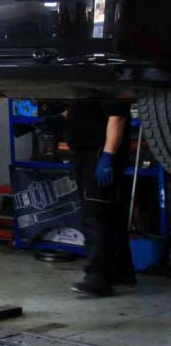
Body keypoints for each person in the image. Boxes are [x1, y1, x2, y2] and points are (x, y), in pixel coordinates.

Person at [64, 99, 136, 296]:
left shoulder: (107, 84)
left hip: (98, 155)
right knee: (110, 214)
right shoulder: (86, 87)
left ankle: (98, 277)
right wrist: (61, 118)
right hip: (85, 154)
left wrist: (108, 156)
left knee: (95, 215)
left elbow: (117, 118)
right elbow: (85, 109)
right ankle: (119, 273)